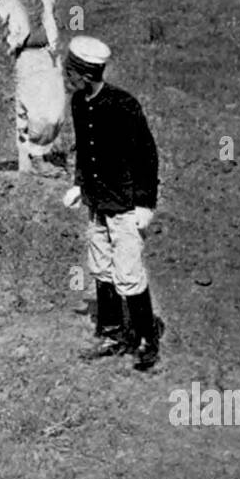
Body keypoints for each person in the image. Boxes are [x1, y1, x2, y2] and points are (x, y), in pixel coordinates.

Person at [61, 36, 163, 370]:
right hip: (97, 202)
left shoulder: (123, 105)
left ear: (85, 74)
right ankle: (112, 331)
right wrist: (79, 185)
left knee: (129, 271)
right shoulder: (79, 102)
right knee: (101, 267)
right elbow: (84, 149)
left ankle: (146, 339)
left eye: (70, 72)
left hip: (125, 205)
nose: (66, 77)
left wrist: (146, 204)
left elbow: (147, 156)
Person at [0, 0, 83, 176]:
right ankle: (37, 157)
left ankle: (42, 152)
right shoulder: (8, 1)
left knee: (57, 109)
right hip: (28, 57)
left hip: (49, 56)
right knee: (36, 111)